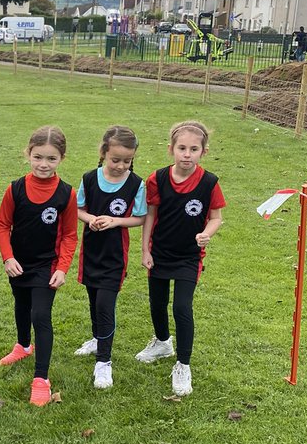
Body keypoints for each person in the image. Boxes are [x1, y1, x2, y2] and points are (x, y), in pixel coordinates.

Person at [136, 120, 226, 396]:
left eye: (194, 149)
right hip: (160, 253)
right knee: (157, 303)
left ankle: (183, 365)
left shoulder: (209, 183)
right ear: (171, 149)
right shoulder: (157, 179)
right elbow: (150, 214)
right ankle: (163, 343)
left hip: (189, 256)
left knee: (182, 307)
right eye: (182, 148)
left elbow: (216, 218)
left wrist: (206, 233)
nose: (187, 154)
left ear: (203, 152)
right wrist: (145, 249)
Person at [0, 125, 78, 407]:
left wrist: (62, 268)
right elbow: (3, 225)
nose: (44, 164)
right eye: (38, 157)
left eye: (51, 158)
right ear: (28, 154)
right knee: (21, 305)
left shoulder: (66, 194)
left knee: (40, 315)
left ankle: (41, 379)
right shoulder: (15, 189)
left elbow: (69, 235)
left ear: (61, 159)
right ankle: (23, 346)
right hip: (19, 263)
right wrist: (8, 257)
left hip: (48, 266)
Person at [74, 126, 146, 389]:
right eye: (116, 160)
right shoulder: (89, 179)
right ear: (103, 152)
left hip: (115, 257)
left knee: (105, 305)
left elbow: (140, 217)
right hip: (91, 253)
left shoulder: (136, 184)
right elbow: (77, 209)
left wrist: (116, 221)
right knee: (94, 300)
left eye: (127, 161)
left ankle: (103, 362)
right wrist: (91, 218)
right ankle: (97, 339)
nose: (121, 166)